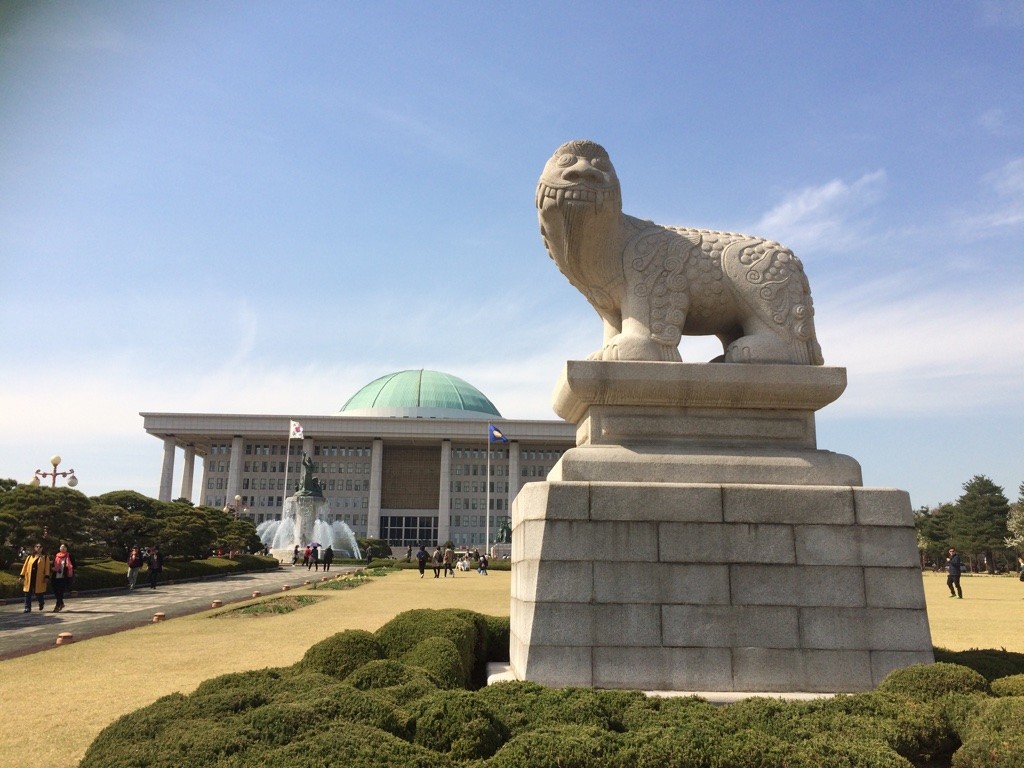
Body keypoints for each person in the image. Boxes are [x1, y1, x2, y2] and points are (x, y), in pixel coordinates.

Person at [21, 543, 50, 613]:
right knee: (27, 593)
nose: (38, 548)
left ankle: (41, 602)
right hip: (29, 577)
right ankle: (27, 608)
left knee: (39, 593)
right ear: (34, 548)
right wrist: (22, 575)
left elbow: (47, 568)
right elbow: (25, 566)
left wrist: (46, 576)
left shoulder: (45, 557)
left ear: (42, 548)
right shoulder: (30, 557)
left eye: (40, 547)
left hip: (39, 578)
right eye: (37, 547)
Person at [51, 543, 75, 611]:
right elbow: (53, 564)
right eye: (61, 547)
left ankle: (57, 605)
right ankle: (61, 603)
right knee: (55, 590)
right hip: (56, 575)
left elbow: (74, 565)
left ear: (67, 548)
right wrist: (53, 568)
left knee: (60, 591)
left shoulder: (69, 555)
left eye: (64, 547)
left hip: (65, 576)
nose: (62, 548)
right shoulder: (57, 555)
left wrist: (69, 568)